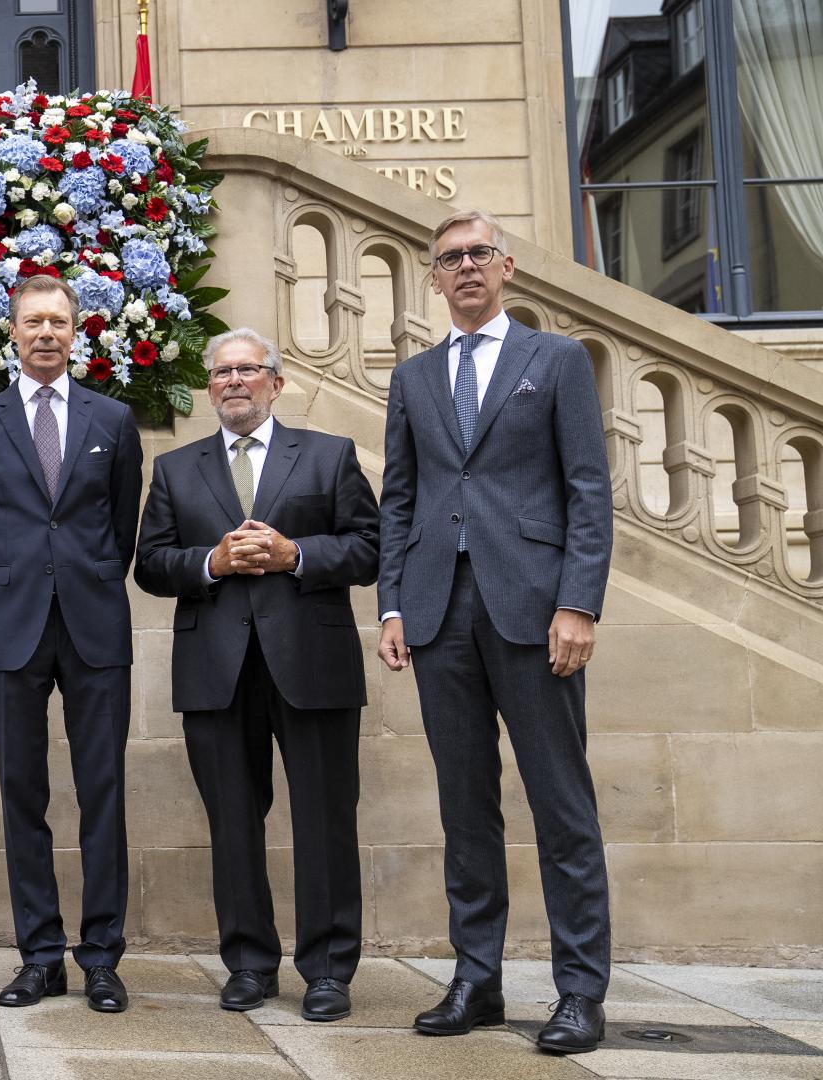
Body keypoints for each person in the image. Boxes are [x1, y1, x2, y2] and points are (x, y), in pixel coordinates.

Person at [377, 209, 614, 1054]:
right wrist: (393, 604)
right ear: (433, 279)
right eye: (450, 259)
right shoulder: (413, 379)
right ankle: (477, 978)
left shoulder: (555, 361)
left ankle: (580, 991)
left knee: (561, 805)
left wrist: (579, 602)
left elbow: (588, 488)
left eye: (479, 254)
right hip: (440, 612)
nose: (466, 267)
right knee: (465, 807)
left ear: (507, 268)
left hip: (534, 610)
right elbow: (398, 500)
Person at [133, 328, 378, 1021]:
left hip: (313, 663)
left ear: (275, 383)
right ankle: (248, 963)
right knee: (233, 821)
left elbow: (370, 548)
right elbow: (150, 563)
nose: (234, 381)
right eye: (222, 373)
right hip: (216, 668)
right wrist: (211, 563)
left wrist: (294, 553)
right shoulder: (178, 470)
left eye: (249, 370)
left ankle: (328, 971)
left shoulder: (329, 457)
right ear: (209, 388)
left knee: (325, 820)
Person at [0, 275, 144, 1013]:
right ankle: (40, 955)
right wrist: (7, 587)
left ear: (77, 333)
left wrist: (84, 581)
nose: (45, 333)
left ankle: (101, 957)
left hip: (95, 625)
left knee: (102, 793)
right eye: (32, 321)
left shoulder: (114, 419)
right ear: (12, 332)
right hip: (11, 628)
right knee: (20, 794)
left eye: (57, 323)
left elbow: (121, 521)